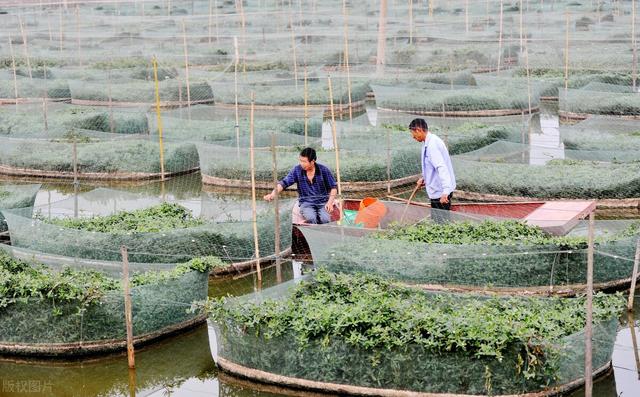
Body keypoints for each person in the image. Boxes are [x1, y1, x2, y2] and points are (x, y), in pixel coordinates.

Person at [264, 147, 338, 224]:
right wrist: (272, 194)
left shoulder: (324, 170)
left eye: (304, 161)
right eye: (300, 161)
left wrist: (329, 203)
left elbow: (333, 187)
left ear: (312, 161)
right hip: (306, 203)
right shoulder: (297, 170)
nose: (301, 163)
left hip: (323, 202)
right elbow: (284, 183)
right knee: (311, 218)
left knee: (325, 220)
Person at [409, 118, 456, 222]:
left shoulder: (432, 145)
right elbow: (431, 165)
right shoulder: (427, 142)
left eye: (413, 133)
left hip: (441, 193)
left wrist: (445, 192)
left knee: (441, 223)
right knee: (438, 222)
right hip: (437, 190)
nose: (413, 137)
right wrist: (424, 178)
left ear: (419, 130)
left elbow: (441, 167)